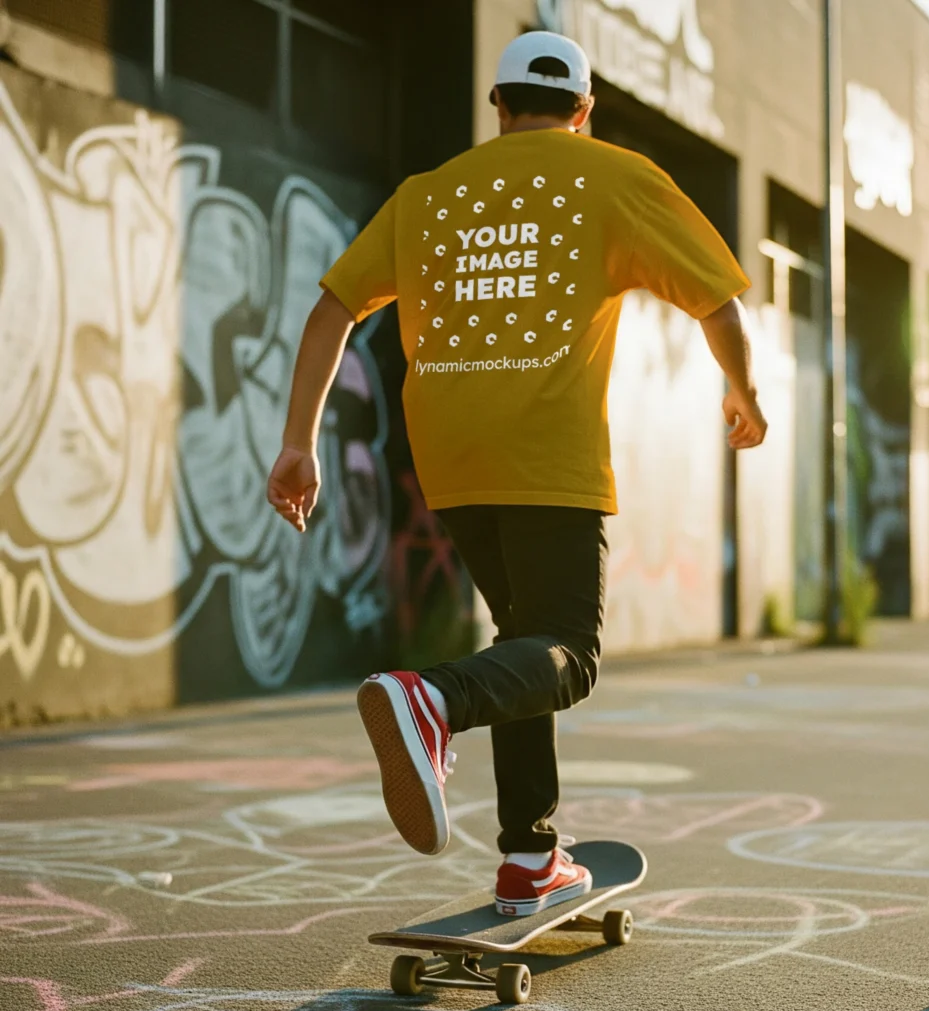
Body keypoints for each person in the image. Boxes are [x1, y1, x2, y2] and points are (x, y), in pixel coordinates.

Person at [267, 30, 767, 917]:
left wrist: (298, 442)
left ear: (497, 105)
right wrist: (743, 393)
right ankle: (432, 698)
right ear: (584, 109)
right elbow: (719, 300)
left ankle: (530, 856)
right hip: (545, 449)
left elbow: (330, 310)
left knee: (524, 640)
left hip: (449, 451)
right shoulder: (616, 175)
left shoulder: (427, 196)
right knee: (568, 655)